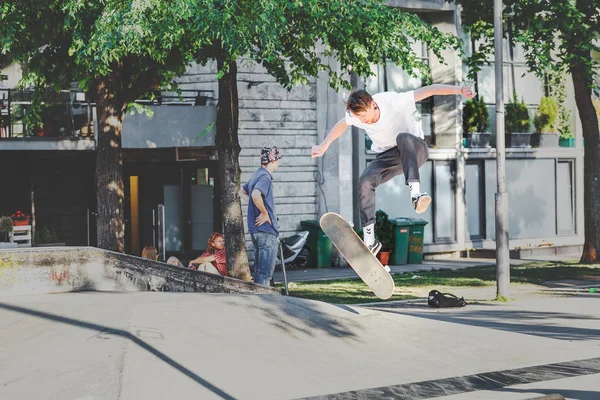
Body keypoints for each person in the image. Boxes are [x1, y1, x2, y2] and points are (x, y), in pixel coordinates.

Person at [311, 85, 475, 255]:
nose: (362, 120)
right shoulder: (356, 116)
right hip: (389, 156)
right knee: (365, 182)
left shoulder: (392, 101)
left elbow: (430, 90)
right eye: (358, 117)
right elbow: (342, 123)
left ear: (373, 105)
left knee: (402, 137)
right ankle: (370, 241)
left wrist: (460, 90)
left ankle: (416, 194)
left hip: (415, 148)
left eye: (364, 115)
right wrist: (324, 145)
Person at [238, 146, 281, 285]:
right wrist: (264, 212)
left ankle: (256, 303)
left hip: (256, 231)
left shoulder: (256, 174)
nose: (279, 162)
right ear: (273, 160)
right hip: (266, 231)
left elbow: (241, 192)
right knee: (265, 274)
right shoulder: (265, 177)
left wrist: (254, 205)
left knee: (258, 272)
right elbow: (256, 195)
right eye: (278, 159)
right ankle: (264, 305)